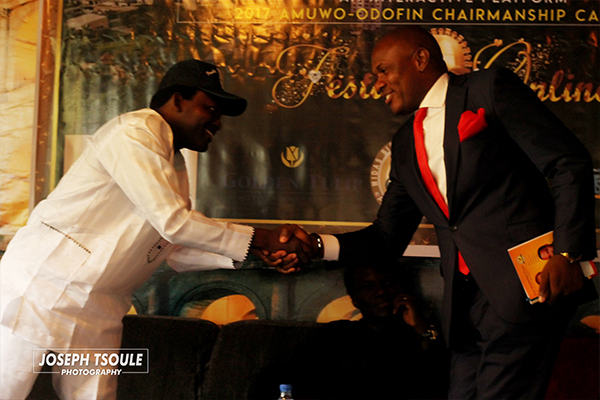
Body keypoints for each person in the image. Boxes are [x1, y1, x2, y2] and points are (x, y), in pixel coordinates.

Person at [277, 26, 597, 399]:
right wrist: (316, 246)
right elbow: (385, 237)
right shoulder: (404, 145)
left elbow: (567, 162)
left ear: (420, 59)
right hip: (462, 310)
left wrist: (567, 252)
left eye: (383, 70)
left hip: (524, 290)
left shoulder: (488, 89)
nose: (377, 82)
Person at [0, 59, 312, 400]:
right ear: (177, 100)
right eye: (210, 108)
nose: (218, 122)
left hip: (100, 308)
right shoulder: (134, 132)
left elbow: (173, 248)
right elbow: (174, 223)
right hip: (42, 290)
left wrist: (257, 251)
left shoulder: (173, 162)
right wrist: (261, 237)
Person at [249, 261, 449, 400]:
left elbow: (438, 382)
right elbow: (283, 376)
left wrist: (420, 326)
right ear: (354, 299)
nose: (381, 292)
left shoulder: (418, 338)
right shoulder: (334, 336)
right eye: (368, 287)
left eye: (388, 283)